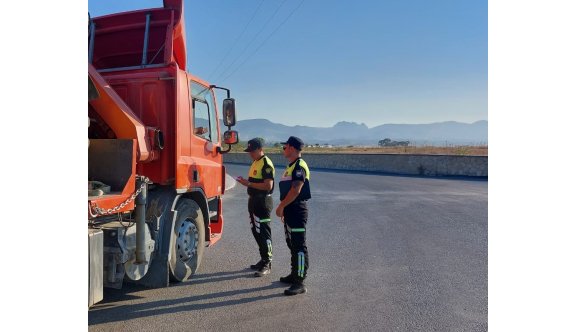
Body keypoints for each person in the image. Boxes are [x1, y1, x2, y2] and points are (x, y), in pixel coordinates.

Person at [275, 136, 311, 296]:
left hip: (297, 210)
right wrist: (285, 209)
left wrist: (281, 206)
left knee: (299, 247)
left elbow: (296, 190)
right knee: (292, 244)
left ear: (291, 148)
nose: (283, 149)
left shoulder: (299, 166)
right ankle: (294, 274)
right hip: (291, 210)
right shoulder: (291, 166)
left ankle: (299, 282)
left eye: (285, 147)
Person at [236, 138, 275, 277]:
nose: (250, 154)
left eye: (252, 151)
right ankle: (263, 258)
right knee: (256, 232)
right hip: (253, 202)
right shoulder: (255, 162)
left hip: (263, 202)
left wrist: (249, 184)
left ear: (260, 149)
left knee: (264, 233)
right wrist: (245, 183)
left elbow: (268, 186)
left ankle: (267, 263)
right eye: (249, 151)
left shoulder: (266, 163)